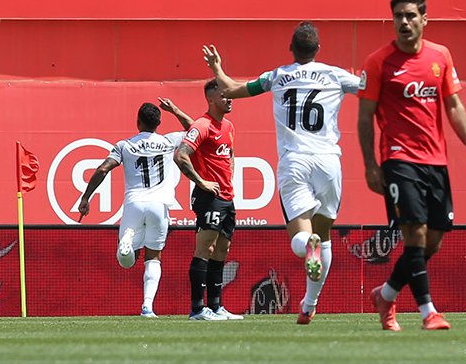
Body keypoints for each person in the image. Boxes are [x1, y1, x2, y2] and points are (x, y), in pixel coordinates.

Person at [202, 28, 359, 324]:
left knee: (302, 236)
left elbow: (231, 89)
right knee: (323, 237)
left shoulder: (278, 76)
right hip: (329, 163)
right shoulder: (335, 75)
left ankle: (306, 247)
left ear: (291, 47)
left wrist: (216, 68)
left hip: (295, 163)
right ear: (318, 48)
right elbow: (368, 87)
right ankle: (309, 304)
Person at [359, 0, 466, 331]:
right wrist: (371, 165)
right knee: (414, 233)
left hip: (436, 162)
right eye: (398, 15)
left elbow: (454, 105)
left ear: (424, 20)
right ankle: (428, 312)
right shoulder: (377, 62)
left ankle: (386, 294)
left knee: (433, 240)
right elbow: (364, 116)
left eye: (411, 15)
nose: (404, 21)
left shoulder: (440, 56)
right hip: (398, 159)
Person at [77, 98, 194, 317]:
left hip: (134, 203)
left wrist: (86, 197)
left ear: (137, 122)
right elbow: (195, 129)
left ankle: (127, 244)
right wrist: (175, 110)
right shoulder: (169, 142)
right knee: (154, 257)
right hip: (160, 205)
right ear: (159, 122)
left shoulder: (125, 145)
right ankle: (147, 307)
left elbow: (103, 169)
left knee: (126, 262)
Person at [173, 79, 244, 320]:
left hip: (227, 197)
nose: (229, 99)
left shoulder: (229, 126)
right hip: (209, 197)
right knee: (205, 248)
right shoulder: (202, 125)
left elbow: (231, 154)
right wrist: (201, 182)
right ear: (211, 99)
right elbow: (180, 155)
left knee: (222, 250)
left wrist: (229, 176)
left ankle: (216, 306)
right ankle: (197, 309)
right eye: (224, 95)